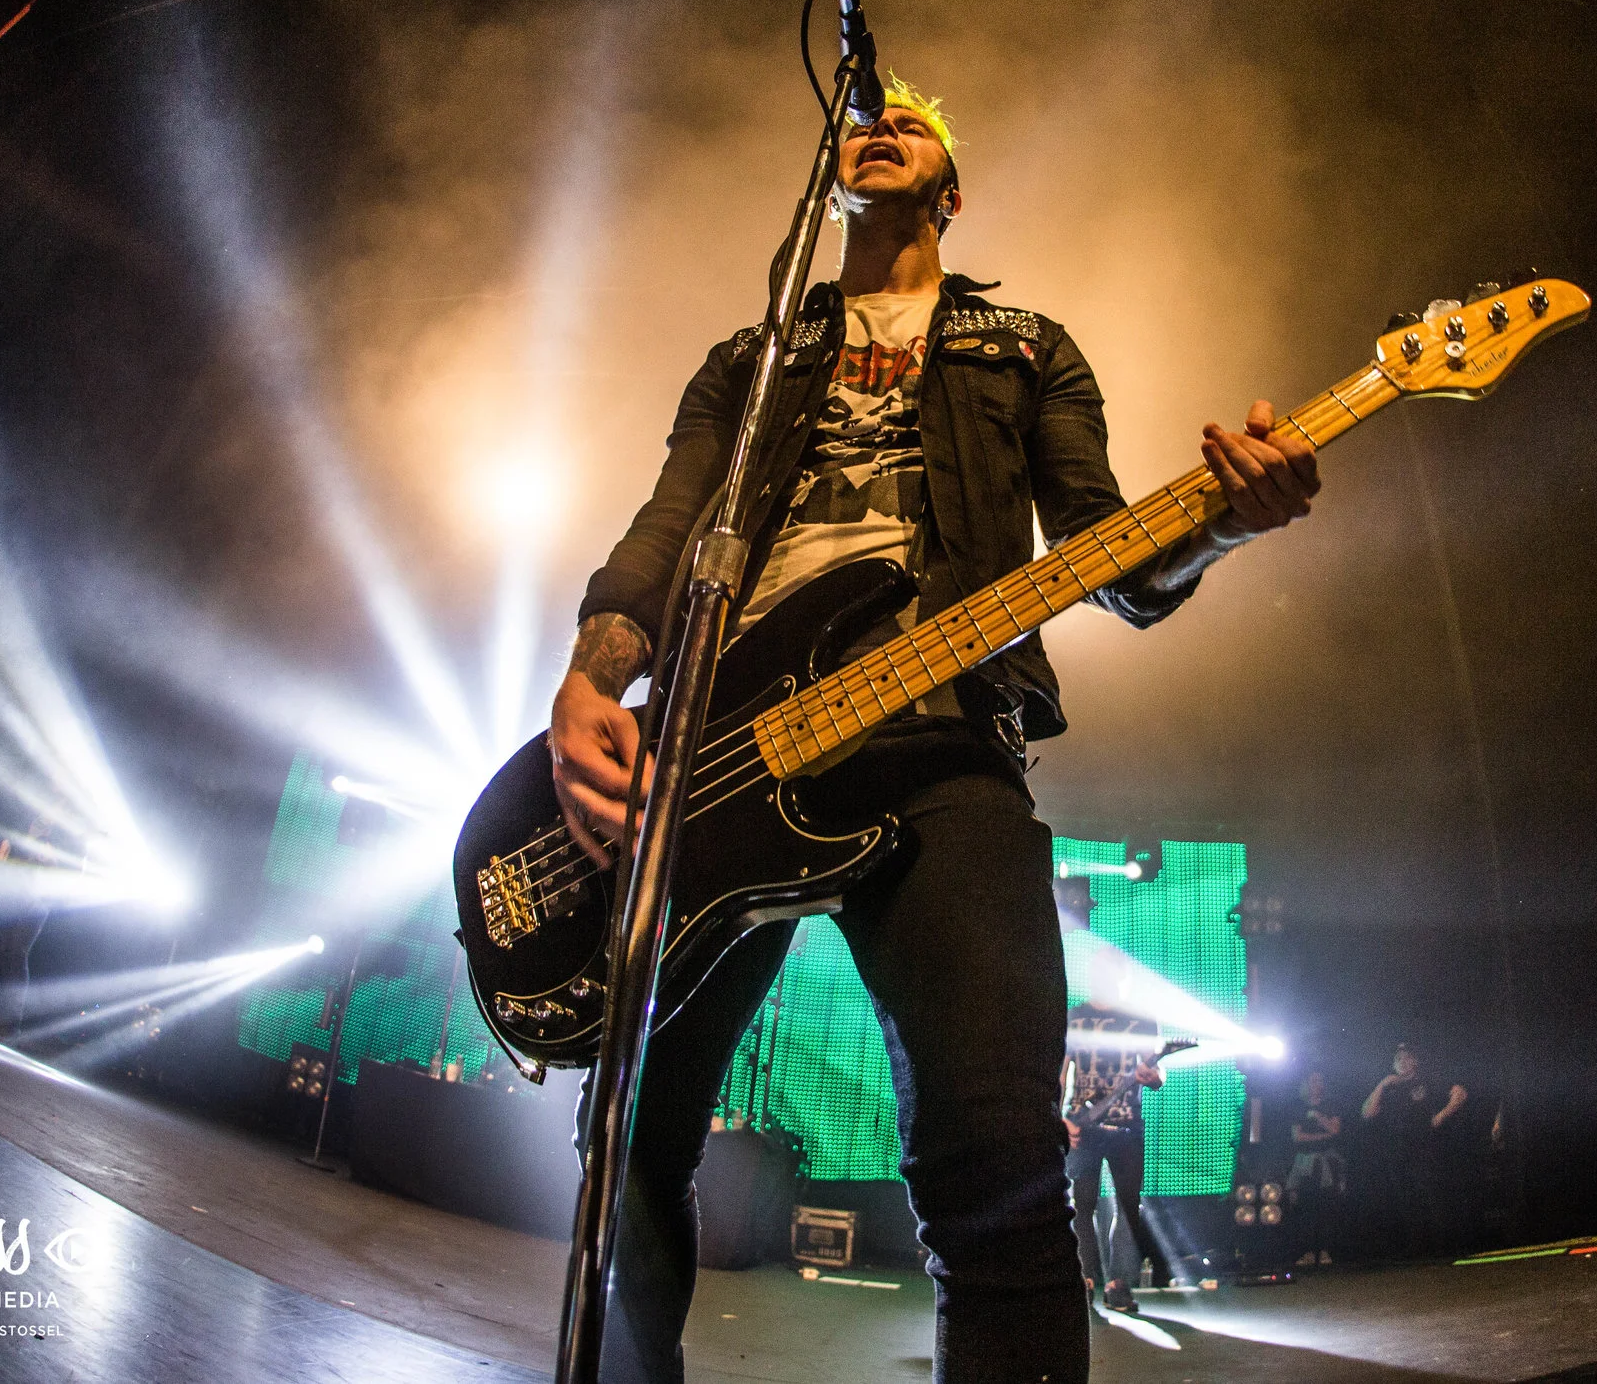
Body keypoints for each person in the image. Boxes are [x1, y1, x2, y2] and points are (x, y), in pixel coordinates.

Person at [545, 77, 1322, 1383]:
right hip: (719, 747)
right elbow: (665, 526)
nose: (881, 121)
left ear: (950, 190)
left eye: (912, 120)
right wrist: (589, 679)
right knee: (630, 1137)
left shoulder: (1026, 345)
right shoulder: (754, 354)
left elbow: (1110, 556)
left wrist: (1221, 524)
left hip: (940, 733)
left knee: (996, 1162)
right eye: (866, 118)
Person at [1062, 995, 1164, 1312]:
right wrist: (1061, 1120)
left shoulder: (1140, 1018)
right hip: (1083, 1126)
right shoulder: (1073, 1016)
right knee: (1082, 1204)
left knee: (1128, 1205)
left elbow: (1156, 1071)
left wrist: (1155, 1077)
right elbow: (1060, 1073)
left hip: (1127, 1127)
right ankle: (1084, 1279)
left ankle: (1118, 1284)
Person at [1361, 1040, 1471, 1255]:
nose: (1402, 1062)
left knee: (1431, 1195)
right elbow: (1367, 1113)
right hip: (1398, 1151)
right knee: (1406, 1199)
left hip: (1425, 1148)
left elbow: (1460, 1094)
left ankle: (1443, 1246)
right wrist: (1382, 1084)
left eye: (1407, 1058)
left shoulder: (1427, 1081)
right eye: (1398, 1059)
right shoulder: (1389, 1088)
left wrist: (1440, 1117)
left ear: (1415, 1061)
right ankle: (1417, 1248)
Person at [1286, 1069, 1346, 1263]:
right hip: (1305, 1164)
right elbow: (1297, 1136)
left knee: (1326, 1206)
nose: (1316, 1084)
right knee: (1306, 1205)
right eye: (1313, 1081)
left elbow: (1335, 1130)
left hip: (1327, 1163)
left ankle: (1326, 1250)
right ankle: (1308, 1251)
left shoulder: (1331, 1105)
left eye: (1319, 1081)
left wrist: (1319, 1117)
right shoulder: (1298, 1107)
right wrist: (1322, 1135)